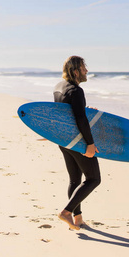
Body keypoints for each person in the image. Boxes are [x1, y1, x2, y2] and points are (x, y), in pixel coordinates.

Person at [54, 56, 101, 230]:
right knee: (93, 179)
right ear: (76, 71)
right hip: (77, 141)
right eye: (83, 68)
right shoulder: (76, 90)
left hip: (62, 140)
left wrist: (84, 111)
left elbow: (68, 114)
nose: (86, 70)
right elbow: (80, 119)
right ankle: (66, 212)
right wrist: (90, 143)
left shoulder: (59, 87)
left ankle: (77, 219)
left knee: (75, 181)